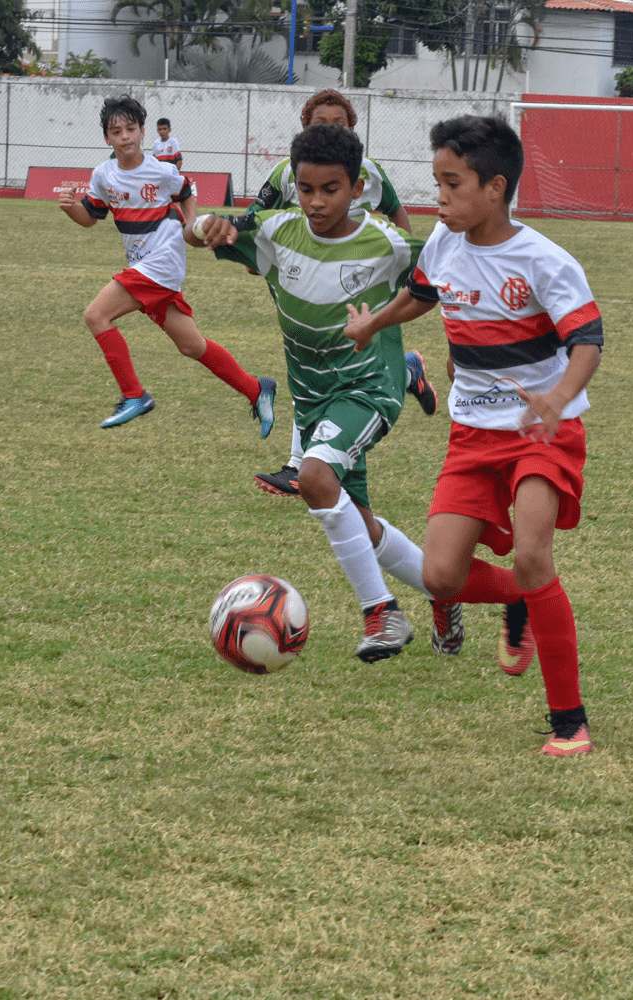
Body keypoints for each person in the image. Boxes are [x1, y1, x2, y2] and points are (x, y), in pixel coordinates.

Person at [342, 115, 603, 756]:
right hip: (471, 436)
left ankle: (569, 720)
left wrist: (558, 398)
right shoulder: (443, 242)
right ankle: (522, 600)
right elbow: (423, 296)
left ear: (494, 186)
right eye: (436, 182)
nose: (440, 196)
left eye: (451, 184)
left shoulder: (544, 260)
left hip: (542, 431)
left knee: (534, 554)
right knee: (440, 577)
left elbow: (588, 341)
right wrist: (372, 324)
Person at [197, 123, 461, 662]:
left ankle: (381, 613)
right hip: (314, 399)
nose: (317, 203)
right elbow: (200, 230)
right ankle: (446, 595)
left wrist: (463, 346)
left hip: (369, 387)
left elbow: (450, 278)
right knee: (358, 522)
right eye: (306, 189)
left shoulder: (386, 245)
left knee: (314, 477)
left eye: (331, 190)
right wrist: (205, 225)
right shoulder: (274, 232)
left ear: (358, 186)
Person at [249, 88, 439, 499]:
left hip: (362, 289)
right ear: (305, 130)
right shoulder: (286, 172)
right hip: (307, 279)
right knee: (315, 365)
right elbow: (252, 216)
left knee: (346, 364)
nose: (331, 130)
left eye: (339, 124)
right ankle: (406, 373)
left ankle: (301, 467)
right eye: (321, 125)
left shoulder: (369, 172)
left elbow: (396, 211)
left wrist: (398, 260)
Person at [60, 95, 276, 432]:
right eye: (117, 131)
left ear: (142, 131)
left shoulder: (161, 171)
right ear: (107, 138)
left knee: (96, 315)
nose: (125, 136)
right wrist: (70, 208)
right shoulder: (103, 175)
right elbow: (91, 217)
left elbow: (186, 193)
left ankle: (134, 395)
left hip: (163, 261)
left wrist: (190, 226)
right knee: (191, 345)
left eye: (131, 129)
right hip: (142, 263)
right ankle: (256, 389)